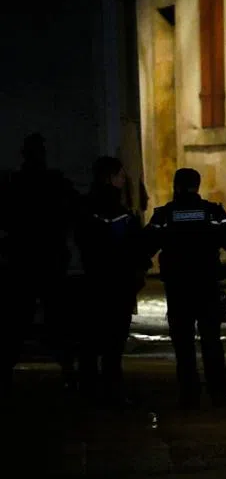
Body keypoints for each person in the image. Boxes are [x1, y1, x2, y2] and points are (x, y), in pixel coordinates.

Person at [144, 168, 226, 408]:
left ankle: (189, 395)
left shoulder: (164, 216)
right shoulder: (213, 213)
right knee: (212, 342)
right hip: (207, 285)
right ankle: (219, 394)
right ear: (197, 187)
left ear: (175, 186)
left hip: (178, 288)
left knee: (183, 344)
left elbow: (145, 245)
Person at [0, 133, 80, 396]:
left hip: (23, 261)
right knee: (56, 320)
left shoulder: (15, 184)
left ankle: (8, 373)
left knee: (17, 322)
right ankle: (69, 371)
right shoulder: (54, 183)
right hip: (47, 260)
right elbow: (72, 214)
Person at [74, 157, 146, 406]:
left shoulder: (84, 209)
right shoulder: (121, 214)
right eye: (120, 175)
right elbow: (136, 249)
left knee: (90, 342)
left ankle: (88, 391)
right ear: (110, 178)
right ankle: (112, 392)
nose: (124, 179)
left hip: (93, 283)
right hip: (117, 286)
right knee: (114, 345)